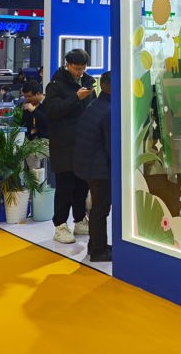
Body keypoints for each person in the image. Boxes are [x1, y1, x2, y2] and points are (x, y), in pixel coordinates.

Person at [42, 48, 96, 244]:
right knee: (65, 186)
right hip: (64, 143)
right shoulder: (55, 86)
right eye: (77, 68)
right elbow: (53, 111)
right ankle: (60, 225)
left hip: (85, 142)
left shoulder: (88, 83)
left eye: (83, 68)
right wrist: (75, 98)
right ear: (68, 65)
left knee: (82, 184)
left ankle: (80, 219)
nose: (81, 72)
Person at [74, 71, 112, 262]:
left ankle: (96, 244)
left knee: (97, 207)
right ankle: (98, 251)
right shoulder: (109, 111)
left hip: (88, 165)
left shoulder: (95, 104)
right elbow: (112, 147)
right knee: (100, 209)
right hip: (100, 169)